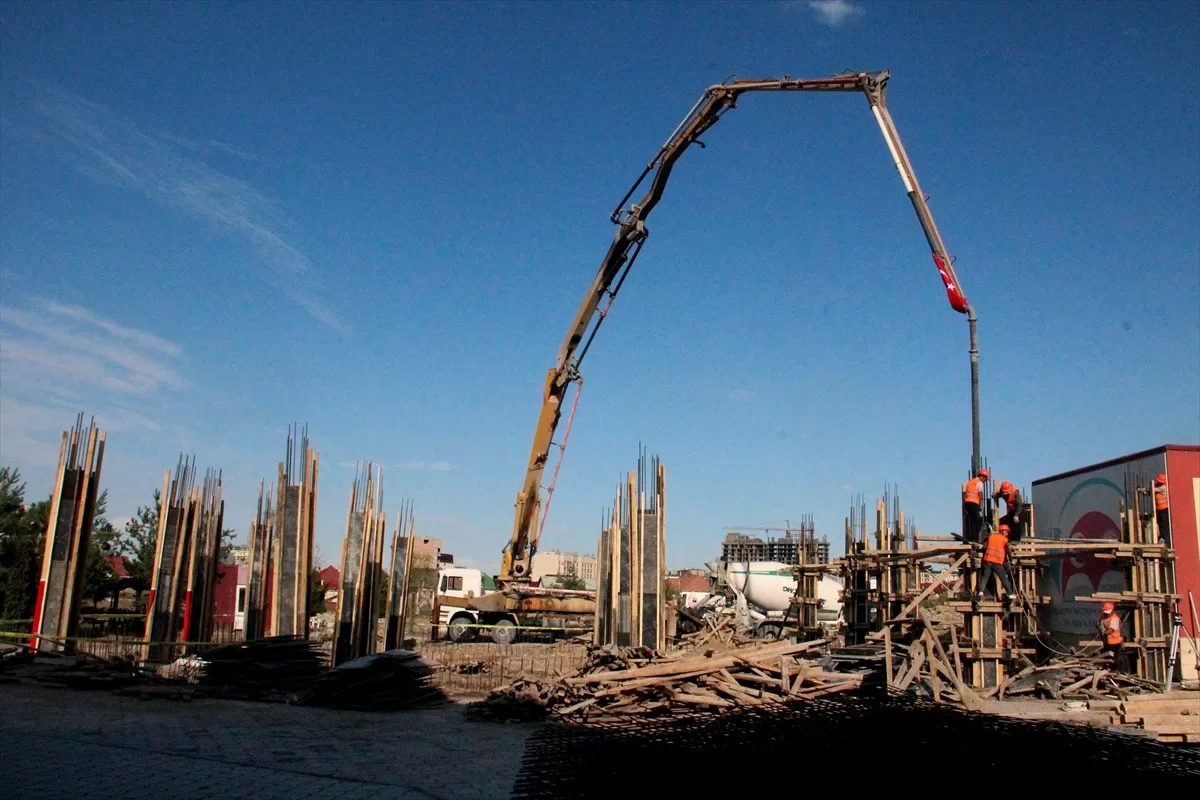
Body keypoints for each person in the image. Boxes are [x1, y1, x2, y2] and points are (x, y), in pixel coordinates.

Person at [975, 523, 1014, 605]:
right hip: (997, 562)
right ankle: (1010, 594)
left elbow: (984, 546)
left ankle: (980, 593)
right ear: (1003, 531)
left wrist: (978, 547)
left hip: (987, 560)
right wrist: (1010, 559)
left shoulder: (991, 537)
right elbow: (1008, 550)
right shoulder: (1004, 539)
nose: (1007, 534)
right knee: (1003, 578)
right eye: (1006, 532)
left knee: (985, 577)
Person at [961, 468, 989, 544]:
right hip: (974, 503)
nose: (985, 481)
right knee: (977, 521)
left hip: (967, 503)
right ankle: (973, 538)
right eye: (985, 479)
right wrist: (980, 506)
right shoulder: (979, 483)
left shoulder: (971, 482)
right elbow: (980, 495)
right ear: (983, 477)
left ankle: (971, 537)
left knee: (973, 520)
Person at [1098, 601, 1125, 668]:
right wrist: (1100, 627)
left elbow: (1109, 631)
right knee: (1107, 658)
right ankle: (1108, 669)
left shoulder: (1114, 619)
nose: (1106, 614)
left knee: (1114, 659)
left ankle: (1114, 671)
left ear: (1112, 611)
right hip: (1106, 642)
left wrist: (1103, 631)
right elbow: (1097, 623)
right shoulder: (1103, 616)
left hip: (1114, 644)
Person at [1153, 474, 1171, 547]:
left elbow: (1153, 489)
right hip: (1159, 509)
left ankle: (1164, 538)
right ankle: (1161, 537)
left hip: (1164, 509)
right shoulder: (1158, 486)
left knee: (1164, 525)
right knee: (1159, 524)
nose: (1158, 482)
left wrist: (1149, 487)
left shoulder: (1163, 488)